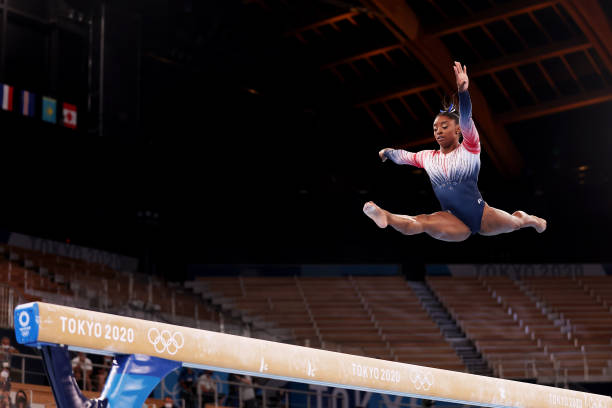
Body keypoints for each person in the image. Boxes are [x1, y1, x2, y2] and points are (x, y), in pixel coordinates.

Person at [363, 61, 547, 241]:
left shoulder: (470, 147)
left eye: (444, 126)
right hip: (452, 219)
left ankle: (531, 219)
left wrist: (463, 92)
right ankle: (385, 216)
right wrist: (387, 152)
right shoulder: (427, 157)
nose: (438, 131)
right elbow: (403, 156)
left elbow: (466, 117)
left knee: (516, 222)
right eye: (435, 128)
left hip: (482, 215)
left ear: (458, 129)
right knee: (422, 222)